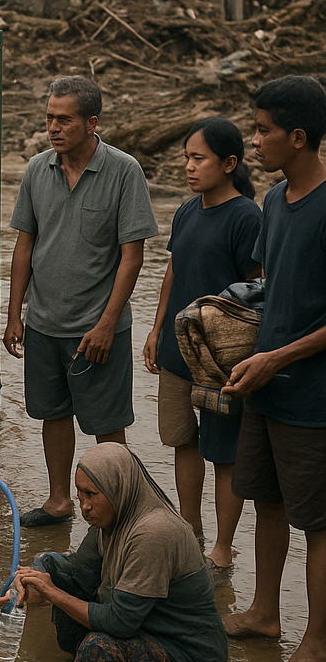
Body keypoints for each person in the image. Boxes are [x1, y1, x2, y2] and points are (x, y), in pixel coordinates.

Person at [3, 76, 158, 527]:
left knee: (107, 425)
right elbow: (25, 246)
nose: (53, 127)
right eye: (49, 117)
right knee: (53, 414)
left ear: (92, 123)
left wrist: (108, 323)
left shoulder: (124, 171)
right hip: (44, 322)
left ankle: (120, 511)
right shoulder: (37, 170)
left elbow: (133, 257)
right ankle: (59, 501)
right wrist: (15, 314)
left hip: (97, 327)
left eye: (64, 119)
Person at [222, 75, 326, 662]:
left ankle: (317, 637)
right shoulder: (271, 202)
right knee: (265, 499)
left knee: (318, 522)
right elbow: (269, 288)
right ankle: (264, 613)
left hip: (312, 395)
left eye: (262, 130)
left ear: (299, 136)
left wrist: (278, 358)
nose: (254, 140)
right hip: (264, 384)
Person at [0, 443, 227, 662]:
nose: (84, 507)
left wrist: (53, 594)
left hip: (188, 658)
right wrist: (34, 587)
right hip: (145, 629)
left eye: (92, 495)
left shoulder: (153, 534)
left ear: (119, 489)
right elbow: (76, 573)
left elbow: (120, 623)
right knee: (49, 565)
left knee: (96, 651)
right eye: (79, 494)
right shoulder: (112, 519)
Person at [143, 118, 261, 572]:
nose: (189, 168)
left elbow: (256, 292)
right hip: (179, 350)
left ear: (229, 164)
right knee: (182, 442)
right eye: (186, 158)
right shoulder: (189, 210)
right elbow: (174, 272)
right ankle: (188, 530)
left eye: (199, 159)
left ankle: (223, 550)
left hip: (221, 361)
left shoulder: (247, 218)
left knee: (223, 453)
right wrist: (157, 330)